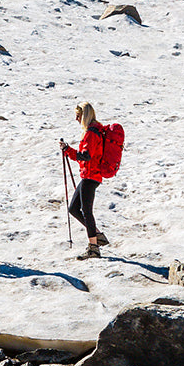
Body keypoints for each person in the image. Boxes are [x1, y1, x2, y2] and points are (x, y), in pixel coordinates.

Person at [61, 101, 113, 260]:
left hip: (91, 175)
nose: (76, 119)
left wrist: (67, 150)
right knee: (74, 209)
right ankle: (97, 236)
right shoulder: (95, 131)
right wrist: (69, 151)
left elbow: (86, 156)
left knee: (86, 211)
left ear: (84, 116)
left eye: (78, 116)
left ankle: (94, 248)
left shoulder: (91, 133)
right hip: (90, 175)